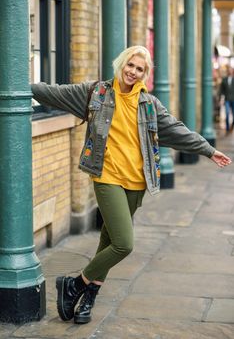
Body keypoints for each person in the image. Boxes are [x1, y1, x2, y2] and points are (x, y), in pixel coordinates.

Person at [31, 46, 232, 325]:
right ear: (121, 64)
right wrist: (21, 84)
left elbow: (176, 130)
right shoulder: (96, 93)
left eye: (140, 69)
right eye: (130, 65)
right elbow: (53, 93)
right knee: (124, 244)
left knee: (109, 242)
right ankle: (75, 284)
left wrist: (208, 150)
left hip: (137, 182)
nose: (133, 72)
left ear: (145, 75)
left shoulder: (148, 104)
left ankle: (87, 299)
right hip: (106, 176)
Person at [220, 65, 234, 133]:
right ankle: (228, 129)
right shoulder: (224, 79)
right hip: (227, 99)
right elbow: (221, 90)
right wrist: (221, 98)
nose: (229, 71)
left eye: (231, 70)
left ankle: (232, 126)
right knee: (227, 113)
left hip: (233, 99)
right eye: (228, 70)